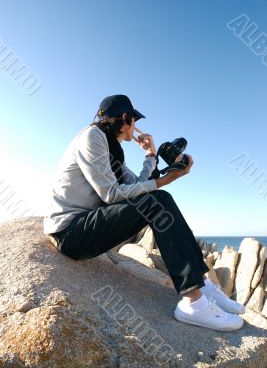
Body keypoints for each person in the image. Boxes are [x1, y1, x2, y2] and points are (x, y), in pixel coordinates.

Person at [43, 94, 245, 331]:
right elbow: (111, 193)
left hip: (87, 226)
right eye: (134, 120)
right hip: (70, 232)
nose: (136, 127)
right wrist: (163, 182)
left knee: (158, 199)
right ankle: (194, 303)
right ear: (125, 118)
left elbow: (137, 185)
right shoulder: (92, 137)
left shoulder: (111, 147)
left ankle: (202, 285)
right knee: (158, 199)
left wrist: (151, 156)